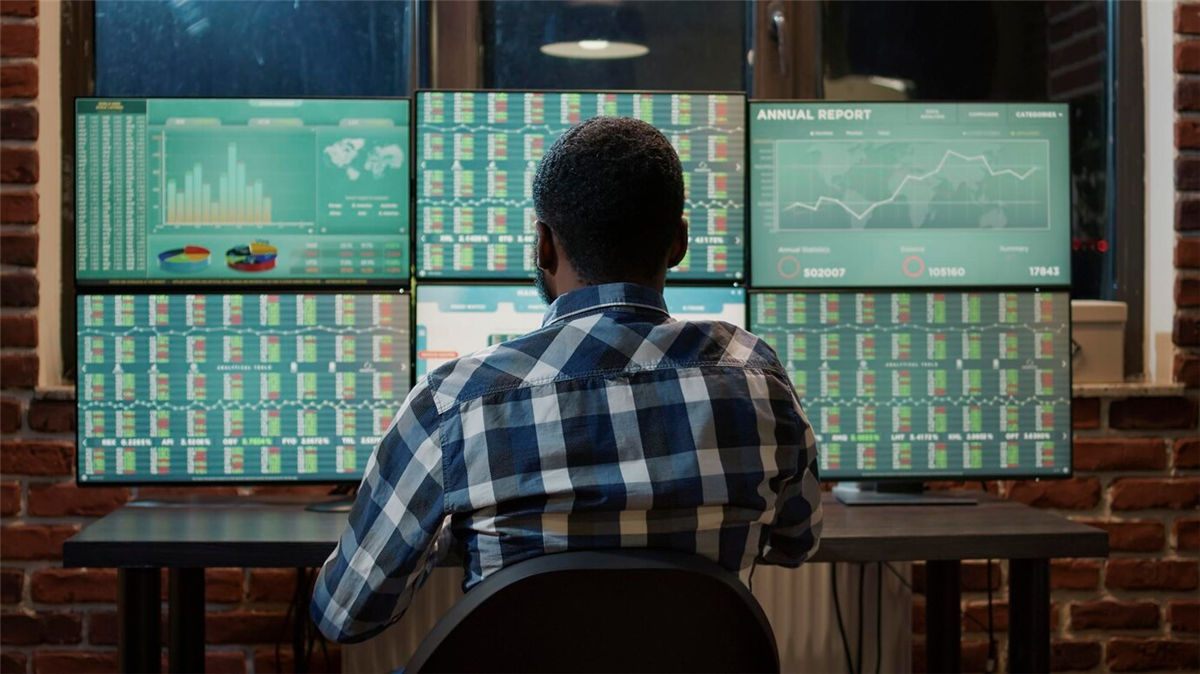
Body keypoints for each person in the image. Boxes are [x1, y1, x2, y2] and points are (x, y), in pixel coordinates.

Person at [311, 116, 822, 643]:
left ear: (543, 247)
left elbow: (345, 613)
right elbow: (795, 542)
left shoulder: (453, 405)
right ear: (678, 244)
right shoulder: (759, 379)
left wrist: (450, 527)